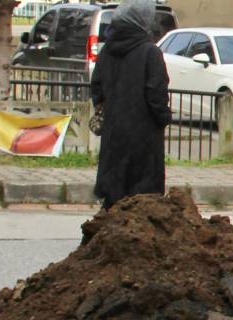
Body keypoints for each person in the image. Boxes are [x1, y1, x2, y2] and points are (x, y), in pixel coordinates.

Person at [90, 0, 171, 209]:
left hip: (114, 130)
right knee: (143, 194)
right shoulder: (150, 52)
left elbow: (97, 88)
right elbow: (156, 93)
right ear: (142, 22)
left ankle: (109, 227)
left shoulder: (107, 51)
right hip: (144, 133)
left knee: (114, 188)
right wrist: (163, 118)